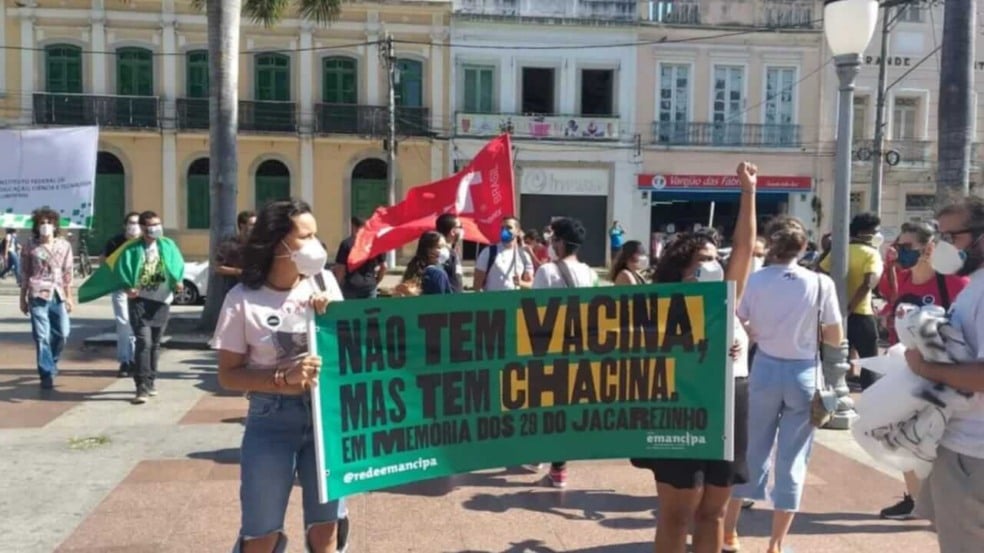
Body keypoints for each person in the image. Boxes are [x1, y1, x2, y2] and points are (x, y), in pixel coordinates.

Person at [631, 161, 757, 553]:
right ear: (681, 267)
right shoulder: (660, 305)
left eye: (714, 257)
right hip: (677, 403)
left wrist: (749, 192)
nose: (713, 263)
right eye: (702, 259)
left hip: (728, 400)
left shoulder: (728, 297)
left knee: (714, 511)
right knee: (677, 512)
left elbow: (746, 247)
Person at [212, 198, 346, 553]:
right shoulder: (242, 299)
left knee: (326, 530)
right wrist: (280, 378)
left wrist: (332, 321)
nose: (316, 245)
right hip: (271, 421)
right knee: (261, 534)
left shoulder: (325, 283)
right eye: (306, 236)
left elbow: (349, 355)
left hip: (325, 421)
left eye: (316, 235)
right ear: (278, 244)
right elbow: (228, 375)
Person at [724, 215, 844, 553]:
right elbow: (834, 336)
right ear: (804, 247)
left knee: (752, 450)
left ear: (773, 245)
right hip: (804, 371)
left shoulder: (757, 281)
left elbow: (742, 320)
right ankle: (776, 544)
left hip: (763, 367)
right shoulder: (820, 283)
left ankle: (730, 532)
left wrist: (761, 331)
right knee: (793, 458)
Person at [899, 196, 984, 553]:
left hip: (973, 453)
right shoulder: (974, 285)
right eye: (941, 236)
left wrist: (923, 367)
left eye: (954, 237)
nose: (945, 247)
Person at [873, 221, 969, 520]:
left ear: (929, 249)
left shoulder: (954, 285)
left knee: (938, 441)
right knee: (901, 435)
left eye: (906, 247)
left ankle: (948, 504)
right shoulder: (901, 279)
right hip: (904, 370)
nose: (899, 252)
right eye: (898, 246)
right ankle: (915, 500)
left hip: (941, 377)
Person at [528, 217, 598, 488]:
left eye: (552, 240)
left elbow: (532, 311)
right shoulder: (591, 273)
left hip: (549, 347)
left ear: (558, 242)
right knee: (565, 407)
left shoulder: (547, 272)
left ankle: (545, 458)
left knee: (543, 403)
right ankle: (558, 465)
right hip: (578, 349)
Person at [122, 212, 185, 404]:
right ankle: (140, 386)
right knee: (144, 342)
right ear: (142, 228)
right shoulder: (132, 249)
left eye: (158, 224)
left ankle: (150, 381)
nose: (155, 228)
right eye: (151, 225)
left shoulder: (168, 245)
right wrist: (128, 287)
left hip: (162, 300)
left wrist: (179, 281)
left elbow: (177, 264)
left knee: (155, 344)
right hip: (139, 300)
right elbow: (122, 270)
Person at [820, 212, 884, 389]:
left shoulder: (839, 251)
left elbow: (821, 271)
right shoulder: (871, 253)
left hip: (835, 314)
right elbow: (869, 282)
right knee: (870, 362)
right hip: (861, 314)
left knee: (833, 358)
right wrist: (851, 307)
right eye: (875, 230)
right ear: (865, 232)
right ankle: (870, 398)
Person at [19, 208, 74, 390]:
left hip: (58, 294)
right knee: (42, 336)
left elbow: (68, 273)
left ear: (55, 225)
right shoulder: (30, 246)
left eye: (48, 223)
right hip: (37, 294)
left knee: (63, 334)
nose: (45, 226)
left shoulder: (64, 245)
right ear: (36, 226)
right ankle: (46, 373)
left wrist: (69, 297)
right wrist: (22, 298)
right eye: (41, 223)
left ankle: (52, 362)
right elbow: (25, 272)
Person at [101, 212, 142, 378]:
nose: (134, 226)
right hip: (120, 288)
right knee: (124, 323)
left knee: (137, 324)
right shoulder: (115, 242)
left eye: (138, 223)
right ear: (125, 225)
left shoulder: (144, 242)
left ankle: (136, 360)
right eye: (131, 223)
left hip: (141, 289)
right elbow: (103, 259)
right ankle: (125, 360)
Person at [473, 216, 533, 292]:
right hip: (493, 302)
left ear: (518, 232)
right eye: (502, 228)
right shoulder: (488, 252)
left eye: (509, 227)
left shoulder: (524, 256)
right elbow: (476, 286)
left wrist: (521, 283)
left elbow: (531, 284)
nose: (504, 230)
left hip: (514, 302)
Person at [332, 217, 386, 300]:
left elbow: (341, 269)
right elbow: (384, 266)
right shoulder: (375, 242)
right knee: (370, 311)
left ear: (353, 226)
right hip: (369, 286)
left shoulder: (346, 244)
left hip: (350, 287)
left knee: (351, 312)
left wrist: (337, 285)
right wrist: (376, 281)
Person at [400, 231, 454, 295]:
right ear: (428, 251)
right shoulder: (438, 274)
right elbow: (440, 302)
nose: (444, 250)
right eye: (440, 247)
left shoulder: (414, 269)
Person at [216, 210, 257, 289]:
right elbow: (218, 268)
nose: (256, 227)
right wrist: (240, 271)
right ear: (242, 225)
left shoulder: (258, 245)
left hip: (255, 290)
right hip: (235, 290)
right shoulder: (229, 245)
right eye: (252, 225)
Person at [435, 213, 464, 292]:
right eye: (460, 227)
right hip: (447, 302)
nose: (462, 230)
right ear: (453, 231)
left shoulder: (452, 252)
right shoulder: (442, 253)